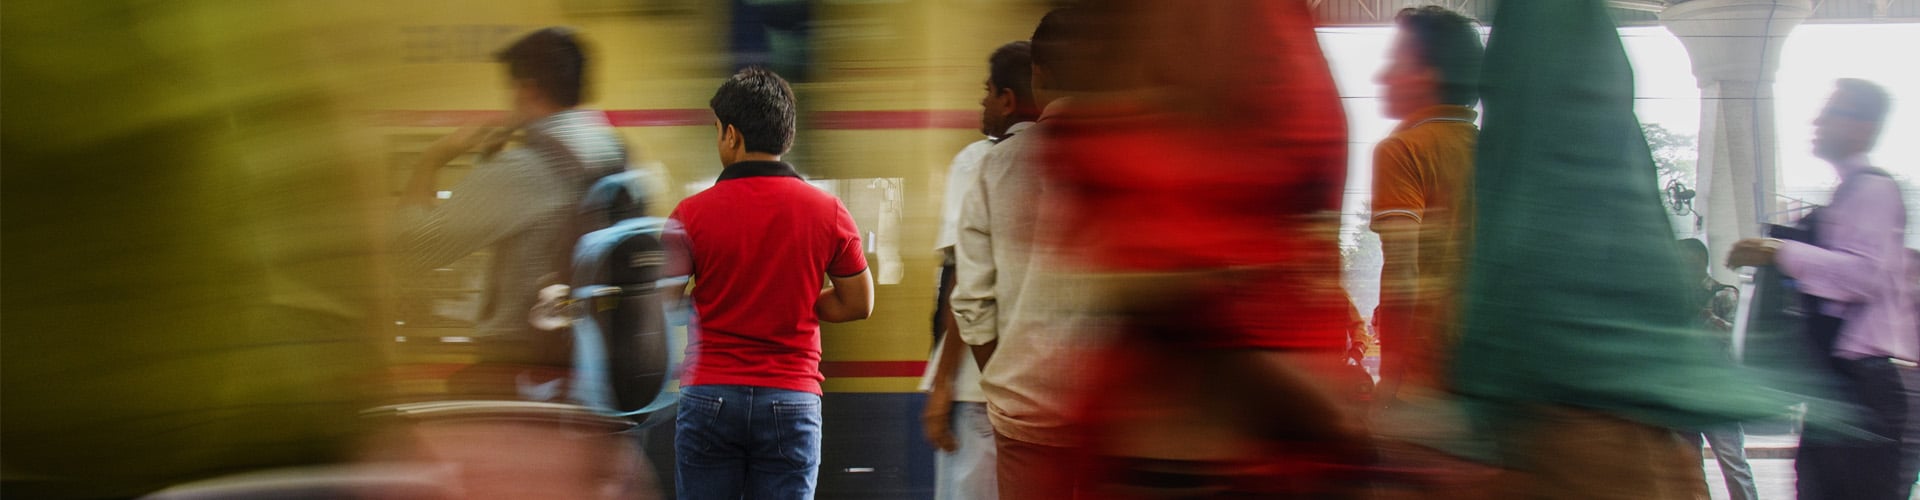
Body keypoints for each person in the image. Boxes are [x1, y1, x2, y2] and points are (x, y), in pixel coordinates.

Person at [667, 66, 875, 500]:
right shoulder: (828, 211)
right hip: (791, 396)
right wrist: (797, 301)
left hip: (710, 394)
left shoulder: (690, 214)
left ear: (731, 135)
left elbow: (664, 301)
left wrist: (714, 298)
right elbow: (859, 303)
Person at [397, 27, 630, 399]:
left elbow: (413, 251)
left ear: (529, 89)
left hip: (522, 377)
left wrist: (432, 159)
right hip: (598, 369)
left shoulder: (523, 168)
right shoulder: (616, 154)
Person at [1728, 78, 1914, 500]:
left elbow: (1864, 276)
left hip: (1863, 390)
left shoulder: (1874, 190)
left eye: (1833, 112)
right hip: (1842, 388)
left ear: (1863, 128)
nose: (1819, 121)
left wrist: (1780, 250)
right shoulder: (1849, 193)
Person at [951, 9, 1098, 499]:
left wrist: (1009, 379)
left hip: (1026, 418)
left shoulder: (993, 169)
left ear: (1039, 75)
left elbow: (971, 303)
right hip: (1111, 419)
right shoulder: (1133, 160)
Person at [1365, 9, 1494, 494]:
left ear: (1429, 77)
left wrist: (1391, 386)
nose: (1383, 75)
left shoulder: (1402, 151)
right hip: (1492, 382)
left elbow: (1404, 273)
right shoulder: (1492, 150)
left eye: (1397, 60)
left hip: (1427, 388)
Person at [920, 40, 1037, 500]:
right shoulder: (1071, 160)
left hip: (978, 388)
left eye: (987, 92)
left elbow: (961, 283)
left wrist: (943, 384)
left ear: (1007, 99)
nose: (982, 104)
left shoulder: (978, 162)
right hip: (1041, 394)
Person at [1679, 238, 1760, 500]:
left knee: (1732, 463)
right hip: (1684, 391)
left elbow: (1734, 337)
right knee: (1689, 467)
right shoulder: (1675, 299)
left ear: (1701, 261)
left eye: (1687, 261)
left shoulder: (1724, 294)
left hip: (1719, 392)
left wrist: (1706, 316)